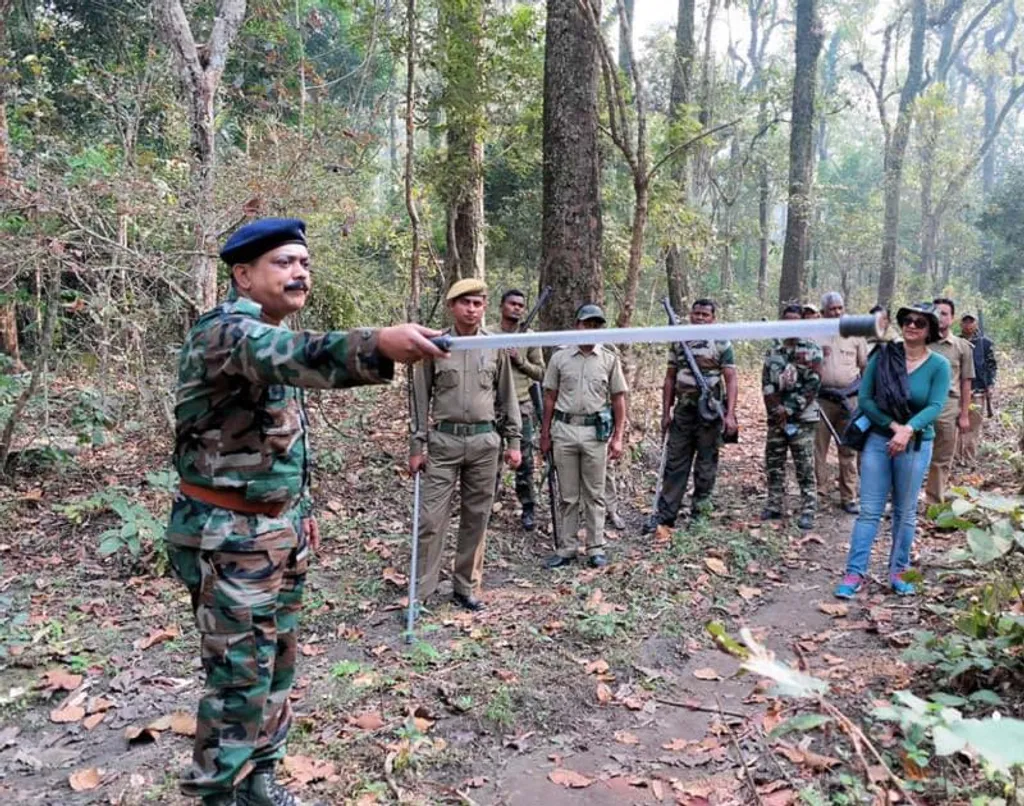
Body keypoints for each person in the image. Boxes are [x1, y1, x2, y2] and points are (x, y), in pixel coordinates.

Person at [165, 218, 444, 806]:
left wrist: (302, 507)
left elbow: (284, 438)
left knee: (277, 663)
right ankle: (218, 794)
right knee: (239, 675)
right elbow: (300, 355)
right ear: (243, 274)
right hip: (229, 536)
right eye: (283, 263)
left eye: (304, 264)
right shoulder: (229, 335)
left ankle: (260, 781)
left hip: (277, 531)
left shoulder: (267, 334)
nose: (299, 273)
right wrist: (379, 344)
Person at [409, 279, 522, 612]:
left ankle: (465, 586)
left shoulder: (495, 346)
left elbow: (507, 397)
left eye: (478, 303)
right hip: (443, 441)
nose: (472, 309)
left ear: (484, 307)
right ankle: (422, 591)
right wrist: (416, 447)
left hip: (485, 442)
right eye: (465, 303)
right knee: (431, 520)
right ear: (452, 306)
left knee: (477, 517)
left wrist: (513, 440)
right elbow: (419, 399)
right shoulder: (435, 346)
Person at [834, 303, 950, 599]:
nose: (912, 326)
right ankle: (854, 572)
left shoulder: (939, 365)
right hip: (878, 440)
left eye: (920, 323)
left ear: (930, 331)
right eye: (908, 321)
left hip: (915, 444)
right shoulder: (885, 356)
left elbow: (936, 406)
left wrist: (908, 429)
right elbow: (866, 397)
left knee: (905, 512)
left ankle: (899, 570)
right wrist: (893, 425)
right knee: (869, 511)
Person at [540, 304, 627, 568]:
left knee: (595, 494)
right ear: (577, 325)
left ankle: (595, 548)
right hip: (564, 430)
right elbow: (550, 398)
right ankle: (567, 548)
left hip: (594, 433)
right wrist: (545, 434)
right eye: (586, 324)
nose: (590, 330)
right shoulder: (560, 357)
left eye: (596, 325)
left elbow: (618, 399)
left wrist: (619, 436)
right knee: (568, 496)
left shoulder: (609, 359)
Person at [644, 298, 738, 532]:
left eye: (705, 315)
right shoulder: (680, 341)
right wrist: (665, 413)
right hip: (683, 413)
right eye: (696, 313)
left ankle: (700, 514)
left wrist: (730, 414)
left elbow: (731, 379)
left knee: (706, 465)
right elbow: (669, 378)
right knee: (675, 463)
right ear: (690, 314)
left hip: (709, 414)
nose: (700, 318)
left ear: (713, 318)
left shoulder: (721, 342)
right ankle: (666, 515)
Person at [762, 304, 823, 530]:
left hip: (803, 418)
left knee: (804, 465)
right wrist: (776, 410)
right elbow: (767, 383)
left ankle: (808, 508)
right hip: (777, 420)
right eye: (787, 320)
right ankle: (774, 504)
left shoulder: (812, 350)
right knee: (774, 463)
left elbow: (813, 384)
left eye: (796, 321)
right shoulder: (774, 352)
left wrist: (789, 409)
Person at [495, 289, 545, 530]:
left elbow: (540, 372)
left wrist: (519, 360)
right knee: (489, 458)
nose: (516, 308)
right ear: (501, 306)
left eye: (521, 305)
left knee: (524, 461)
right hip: (493, 405)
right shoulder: (488, 335)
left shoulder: (529, 337)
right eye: (512, 303)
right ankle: (485, 505)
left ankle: (528, 508)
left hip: (523, 404)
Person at [815, 291, 868, 514]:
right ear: (822, 312)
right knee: (817, 448)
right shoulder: (814, 334)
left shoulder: (856, 334)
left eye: (839, 308)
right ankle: (819, 494)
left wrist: (864, 399)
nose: (836, 312)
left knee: (848, 449)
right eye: (832, 309)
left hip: (850, 399)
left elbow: (864, 367)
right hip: (821, 399)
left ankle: (849, 497)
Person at [923, 297, 974, 504]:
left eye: (945, 313)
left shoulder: (962, 347)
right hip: (920, 405)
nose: (940, 317)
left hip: (948, 406)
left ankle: (933, 502)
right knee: (911, 455)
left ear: (952, 318)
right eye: (937, 312)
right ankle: (902, 500)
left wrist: (964, 415)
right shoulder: (921, 341)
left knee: (942, 458)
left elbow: (966, 382)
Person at [956, 313, 997, 463]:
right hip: (957, 392)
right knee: (956, 428)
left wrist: (991, 384)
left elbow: (991, 365)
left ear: (976, 324)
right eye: (965, 321)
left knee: (973, 428)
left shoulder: (985, 343)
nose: (968, 325)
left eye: (970, 322)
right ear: (960, 324)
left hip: (978, 391)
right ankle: (956, 459)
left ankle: (968, 459)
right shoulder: (955, 342)